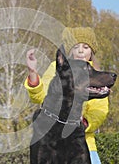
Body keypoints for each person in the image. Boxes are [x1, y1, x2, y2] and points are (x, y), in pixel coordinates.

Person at [24, 27, 108, 164]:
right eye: (76, 47)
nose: (81, 50)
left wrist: (84, 122)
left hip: (82, 141)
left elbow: (100, 110)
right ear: (70, 50)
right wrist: (32, 72)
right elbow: (40, 96)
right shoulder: (56, 68)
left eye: (86, 47)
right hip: (52, 141)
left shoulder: (96, 75)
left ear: (91, 52)